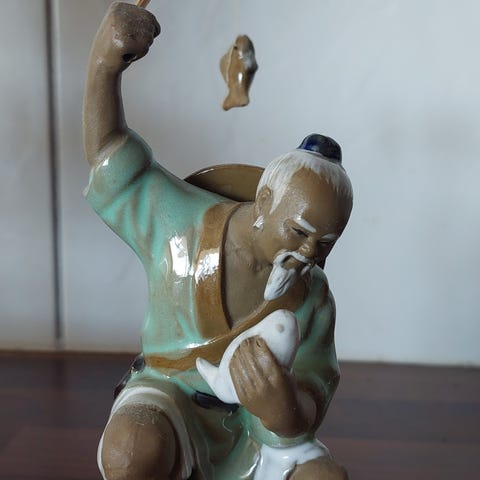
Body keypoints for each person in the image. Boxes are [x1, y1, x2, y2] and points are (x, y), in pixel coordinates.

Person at [84, 3, 353, 479]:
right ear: (265, 200)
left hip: (259, 432)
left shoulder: (311, 298)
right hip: (168, 401)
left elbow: (316, 384)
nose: (309, 253)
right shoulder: (180, 226)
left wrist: (283, 409)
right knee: (132, 450)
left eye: (326, 244)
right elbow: (111, 157)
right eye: (300, 232)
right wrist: (105, 65)